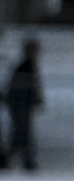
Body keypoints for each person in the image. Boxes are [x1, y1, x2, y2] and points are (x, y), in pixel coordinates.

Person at [2, 39, 37, 173]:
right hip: (20, 106)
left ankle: (18, 160)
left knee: (20, 132)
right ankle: (24, 160)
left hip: (21, 105)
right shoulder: (25, 66)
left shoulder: (27, 65)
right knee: (21, 132)